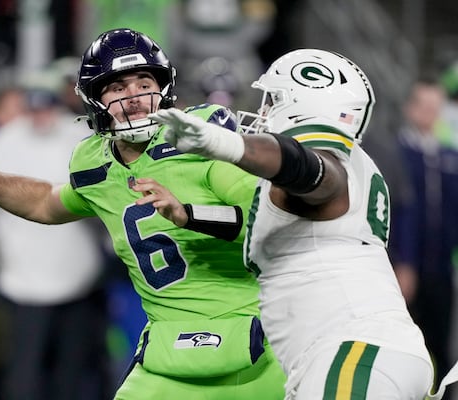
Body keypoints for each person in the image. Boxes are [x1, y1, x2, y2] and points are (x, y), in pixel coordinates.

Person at [0, 28, 286, 399]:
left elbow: (268, 219)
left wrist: (189, 214)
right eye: (118, 88)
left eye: (142, 83)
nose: (133, 97)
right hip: (166, 349)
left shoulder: (201, 139)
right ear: (95, 101)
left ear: (163, 88)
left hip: (254, 339)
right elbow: (43, 202)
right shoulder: (95, 166)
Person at [147, 48, 458, 399]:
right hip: (360, 354)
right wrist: (189, 214)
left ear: (304, 103)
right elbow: (266, 227)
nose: (262, 111)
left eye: (272, 100)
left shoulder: (324, 166)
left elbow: (310, 170)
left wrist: (226, 143)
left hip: (352, 350)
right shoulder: (349, 170)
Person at [0, 73, 109, 400]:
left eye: (46, 105)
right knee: (24, 369)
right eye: (33, 106)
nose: (40, 114)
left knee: (72, 369)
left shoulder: (77, 137)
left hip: (77, 275)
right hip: (22, 278)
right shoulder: (5, 140)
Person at [394, 77, 458, 393]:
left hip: (441, 269)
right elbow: (398, 212)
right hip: (406, 270)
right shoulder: (397, 155)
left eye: (436, 107)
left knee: (442, 346)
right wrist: (402, 263)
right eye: (424, 105)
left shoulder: (450, 158)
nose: (430, 113)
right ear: (410, 108)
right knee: (408, 348)